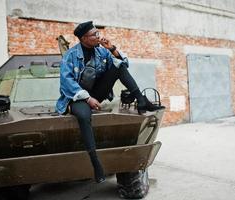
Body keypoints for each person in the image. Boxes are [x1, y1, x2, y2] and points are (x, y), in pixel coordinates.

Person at [56, 21, 164, 183]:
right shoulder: (70, 56)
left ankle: (141, 100)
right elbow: (67, 82)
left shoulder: (100, 51)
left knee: (118, 65)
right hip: (77, 97)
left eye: (98, 33)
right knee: (84, 117)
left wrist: (111, 48)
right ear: (84, 38)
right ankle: (96, 162)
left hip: (97, 93)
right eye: (94, 35)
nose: (98, 37)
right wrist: (88, 98)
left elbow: (124, 64)